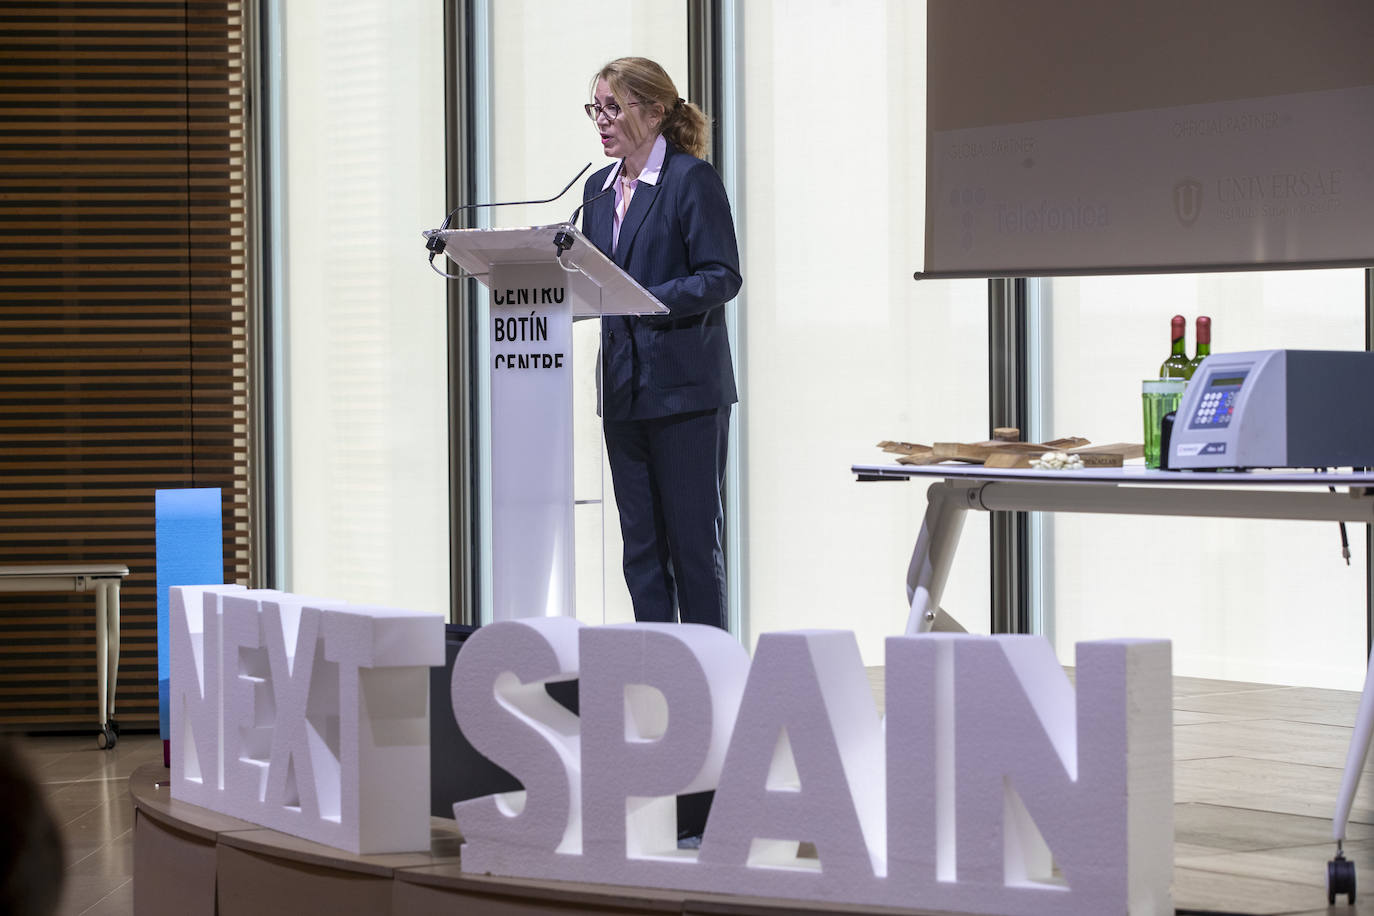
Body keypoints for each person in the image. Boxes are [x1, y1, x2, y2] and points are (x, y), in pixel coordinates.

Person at [580, 57, 742, 634]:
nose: (601, 120)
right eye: (595, 107)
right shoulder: (597, 191)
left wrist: (644, 296)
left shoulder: (689, 180)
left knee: (693, 548)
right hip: (623, 390)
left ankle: (709, 680)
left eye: (613, 108)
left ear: (654, 112)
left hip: (685, 394)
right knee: (641, 551)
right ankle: (654, 681)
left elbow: (721, 276)